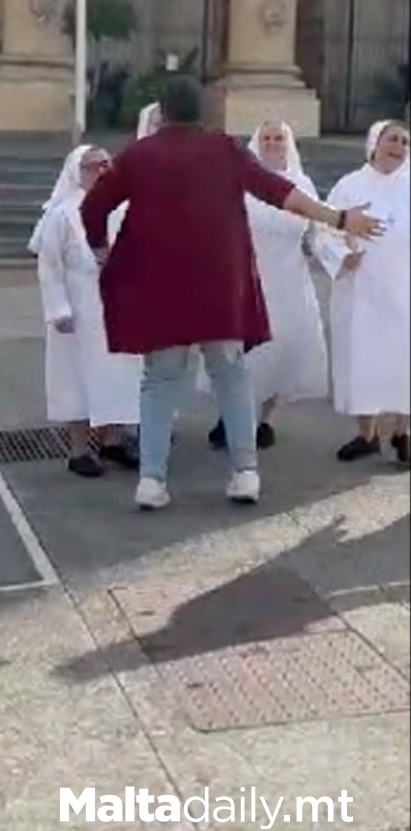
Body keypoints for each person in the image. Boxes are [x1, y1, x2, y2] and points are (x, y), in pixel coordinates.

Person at [79, 76, 383, 510]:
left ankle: (152, 479)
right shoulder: (223, 150)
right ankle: (245, 473)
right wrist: (337, 218)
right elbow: (280, 192)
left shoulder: (139, 156)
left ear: (162, 112)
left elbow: (93, 208)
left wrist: (103, 252)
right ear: (201, 111)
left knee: (160, 380)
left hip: (159, 286)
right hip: (219, 284)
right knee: (233, 375)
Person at [195, 120, 329, 450]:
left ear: (288, 143)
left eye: (278, 138)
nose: (272, 143)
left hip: (289, 279)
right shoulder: (241, 182)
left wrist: (334, 256)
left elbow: (318, 232)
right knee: (239, 350)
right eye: (266, 138)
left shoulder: (303, 184)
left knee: (280, 349)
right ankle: (232, 416)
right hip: (245, 276)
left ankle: (265, 418)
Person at [31, 144, 140, 477]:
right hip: (79, 310)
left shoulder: (126, 207)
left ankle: (113, 441)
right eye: (93, 166)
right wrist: (58, 309)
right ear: (77, 171)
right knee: (76, 378)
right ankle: (79, 450)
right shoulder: (62, 214)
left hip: (120, 306)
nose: (101, 171)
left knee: (120, 376)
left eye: (106, 165)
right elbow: (49, 266)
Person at [318, 119, 409, 466]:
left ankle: (404, 433)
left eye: (404, 141)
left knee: (404, 363)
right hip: (361, 291)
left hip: (405, 290)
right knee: (362, 361)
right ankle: (366, 435)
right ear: (375, 142)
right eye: (392, 139)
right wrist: (342, 257)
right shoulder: (349, 185)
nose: (398, 146)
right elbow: (323, 229)